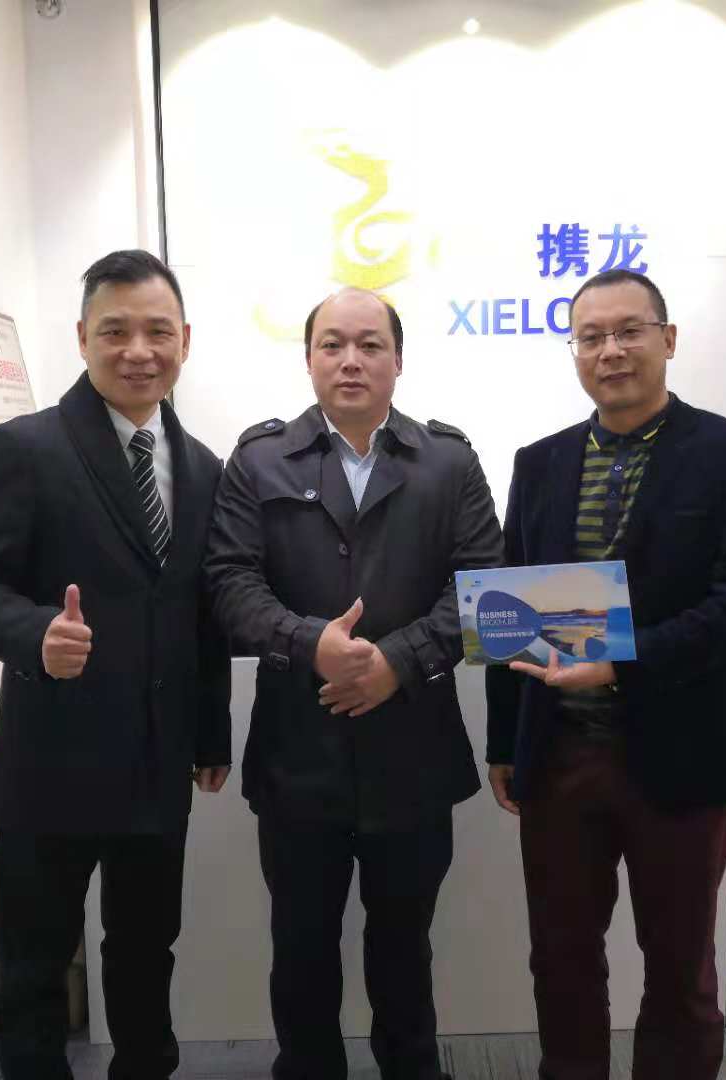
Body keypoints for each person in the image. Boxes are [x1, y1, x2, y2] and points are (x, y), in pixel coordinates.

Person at [0, 250, 232, 1080]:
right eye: (115, 331)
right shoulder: (24, 449)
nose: (139, 351)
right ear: (82, 338)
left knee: (146, 954)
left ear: (184, 341)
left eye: (157, 332)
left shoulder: (205, 468)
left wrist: (210, 734)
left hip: (157, 767)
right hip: (51, 766)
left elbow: (202, 616)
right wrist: (36, 634)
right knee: (34, 971)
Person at [485, 269, 726, 1080]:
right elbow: (512, 605)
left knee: (680, 961)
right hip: (559, 754)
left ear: (668, 339)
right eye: (591, 336)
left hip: (683, 752)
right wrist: (504, 741)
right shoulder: (540, 462)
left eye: (629, 331)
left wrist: (620, 665)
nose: (610, 351)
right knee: (560, 955)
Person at [204, 287, 503, 1080]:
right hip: (299, 754)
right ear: (308, 359)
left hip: (414, 751)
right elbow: (229, 582)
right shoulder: (259, 460)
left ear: (398, 360)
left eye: (370, 345)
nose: (351, 360)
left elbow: (483, 587)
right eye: (332, 344)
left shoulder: (449, 461)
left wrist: (396, 661)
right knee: (301, 946)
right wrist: (312, 645)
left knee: (405, 944)